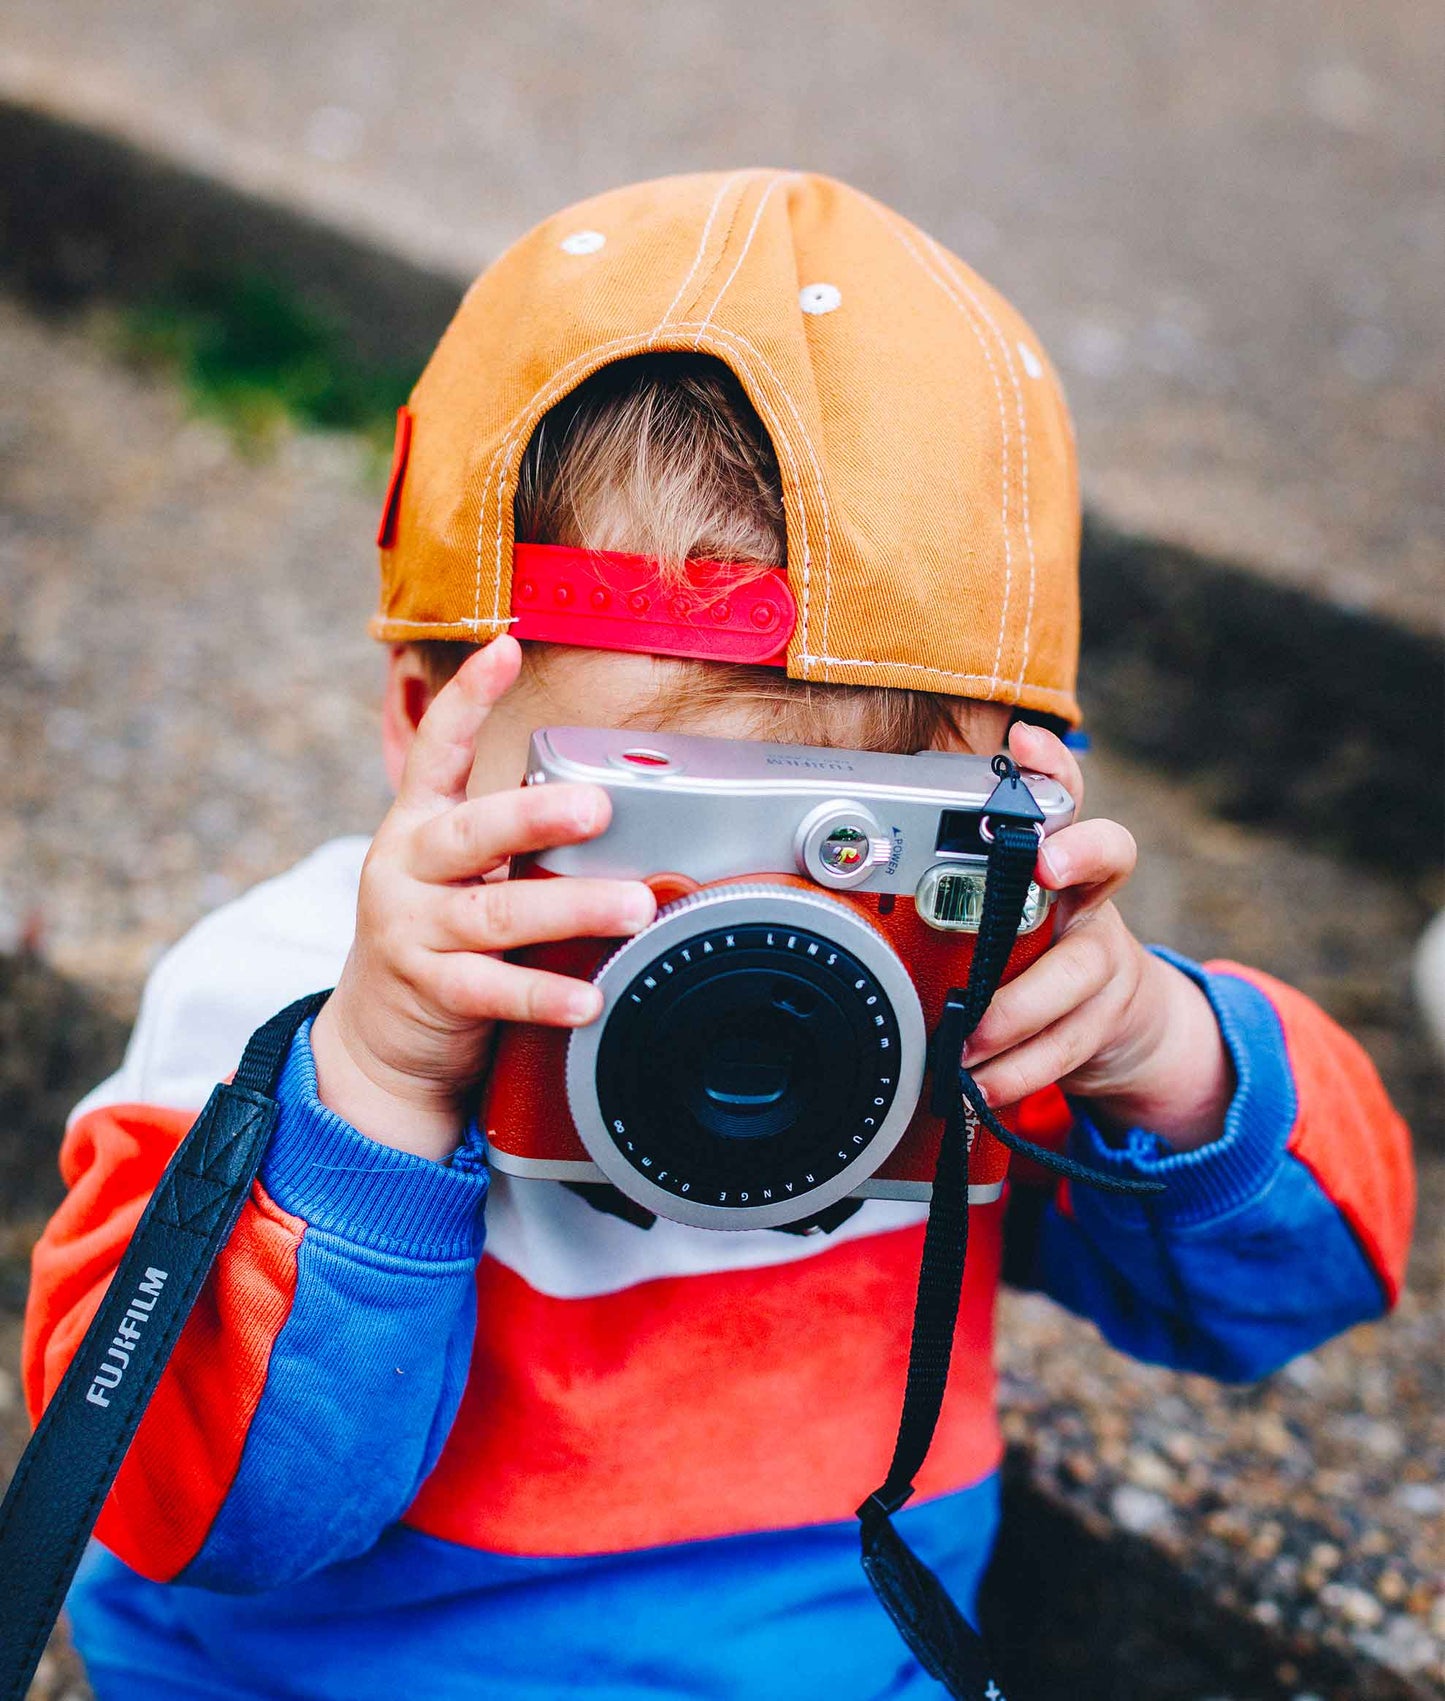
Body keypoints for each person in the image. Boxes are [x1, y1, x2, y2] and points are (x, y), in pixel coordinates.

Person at [23, 172, 1414, 1700]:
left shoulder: (959, 998)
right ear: (430, 731)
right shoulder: (284, 994)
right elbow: (196, 1509)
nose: (752, 943)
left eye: (852, 841)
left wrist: (1153, 1044)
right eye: (649, 824)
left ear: (1007, 791)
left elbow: (1295, 1290)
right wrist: (373, 1096)